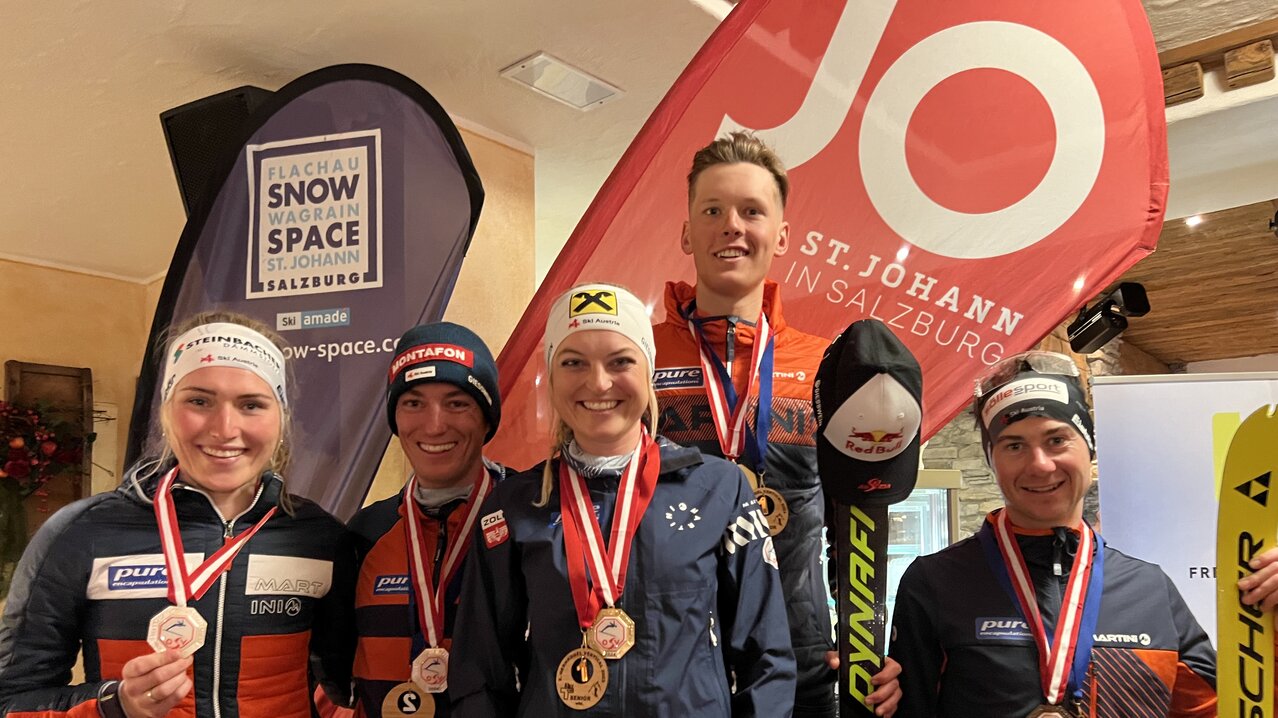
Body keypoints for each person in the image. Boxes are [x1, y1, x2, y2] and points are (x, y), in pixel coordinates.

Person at [450, 282, 796, 716]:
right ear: (552, 375)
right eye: (573, 362)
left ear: (648, 370)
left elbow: (766, 661)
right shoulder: (513, 507)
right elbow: (480, 673)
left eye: (620, 361)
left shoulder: (719, 491)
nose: (598, 382)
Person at [0, 311, 355, 718]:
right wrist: (114, 705)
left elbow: (344, 690)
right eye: (199, 401)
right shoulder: (81, 533)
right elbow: (12, 701)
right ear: (166, 412)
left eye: (251, 404)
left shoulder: (320, 540)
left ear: (281, 418)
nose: (224, 428)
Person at [652, 130, 898, 716]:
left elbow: (856, 512)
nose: (731, 225)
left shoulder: (826, 364)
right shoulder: (637, 358)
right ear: (687, 233)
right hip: (671, 657)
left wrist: (864, 644)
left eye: (751, 211)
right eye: (712, 210)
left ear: (781, 235)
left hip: (801, 662)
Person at [888, 350, 1278, 716]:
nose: (1040, 465)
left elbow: (1227, 709)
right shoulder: (936, 583)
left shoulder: (1151, 588)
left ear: (1088, 448)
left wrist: (1273, 631)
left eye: (1057, 440)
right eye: (1013, 445)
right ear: (992, 461)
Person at [347, 322, 505, 718]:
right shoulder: (365, 532)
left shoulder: (532, 515)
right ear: (395, 419)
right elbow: (337, 667)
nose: (434, 426)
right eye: (413, 403)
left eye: (457, 403)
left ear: (486, 418)